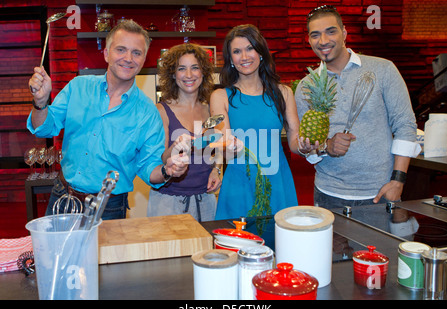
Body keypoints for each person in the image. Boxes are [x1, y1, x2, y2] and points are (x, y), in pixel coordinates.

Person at [27, 20, 188, 219]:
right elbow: (43, 128)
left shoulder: (147, 112)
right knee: (52, 252)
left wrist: (167, 171)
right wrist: (41, 102)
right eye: (121, 49)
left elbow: (149, 167)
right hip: (63, 197)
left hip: (109, 208)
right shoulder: (78, 87)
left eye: (136, 53)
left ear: (144, 59)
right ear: (106, 53)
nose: (128, 58)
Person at [296, 6, 421, 210]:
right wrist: (327, 146)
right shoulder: (306, 87)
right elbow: (309, 148)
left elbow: (405, 125)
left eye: (331, 31)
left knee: (379, 243)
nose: (323, 40)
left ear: (344, 33)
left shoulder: (383, 70)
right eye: (315, 35)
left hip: (379, 191)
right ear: (309, 40)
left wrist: (398, 181)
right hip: (328, 193)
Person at [210, 24, 300, 221]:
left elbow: (294, 142)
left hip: (277, 181)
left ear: (261, 52)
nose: (244, 56)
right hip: (239, 182)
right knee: (236, 247)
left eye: (250, 48)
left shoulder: (283, 93)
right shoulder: (221, 96)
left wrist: (308, 146)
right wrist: (226, 147)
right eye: (237, 51)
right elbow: (224, 144)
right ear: (230, 59)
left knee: (280, 247)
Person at [146, 43, 221, 222]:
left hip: (206, 199)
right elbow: (161, 159)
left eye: (195, 68)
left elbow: (216, 147)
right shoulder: (161, 110)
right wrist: (175, 147)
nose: (189, 75)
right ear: (173, 74)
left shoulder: (210, 109)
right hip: (169, 202)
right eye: (182, 69)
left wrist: (216, 170)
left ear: (203, 72)